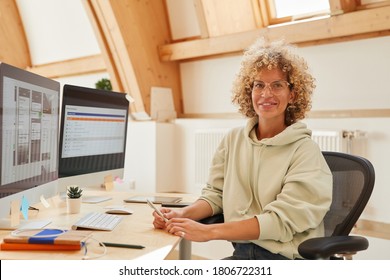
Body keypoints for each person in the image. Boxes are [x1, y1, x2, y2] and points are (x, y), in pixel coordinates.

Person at [152, 37, 333, 260]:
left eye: (277, 85)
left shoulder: (305, 151)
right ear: (249, 91)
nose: (266, 94)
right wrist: (182, 213)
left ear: (292, 94)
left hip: (285, 259)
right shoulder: (232, 140)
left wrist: (209, 232)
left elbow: (279, 222)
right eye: (259, 85)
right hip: (242, 254)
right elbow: (215, 196)